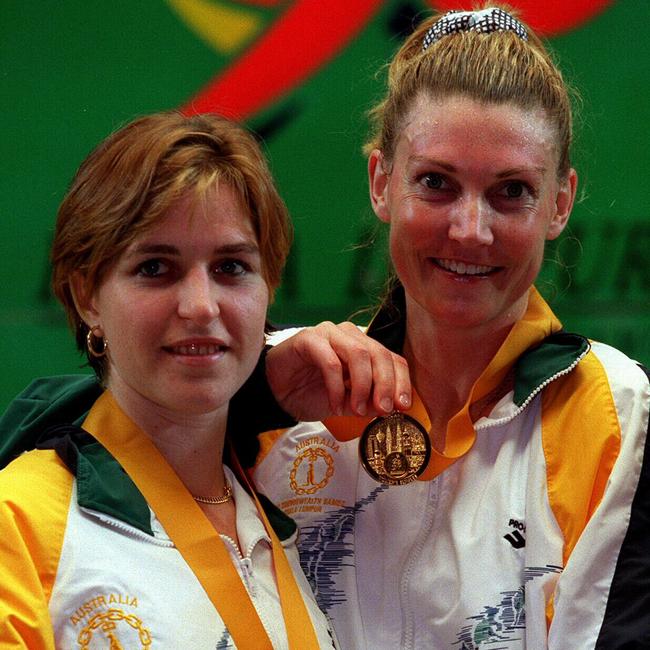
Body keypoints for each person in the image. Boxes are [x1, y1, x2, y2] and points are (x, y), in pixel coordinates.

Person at [247, 6, 650, 649]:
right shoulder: (279, 384)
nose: (470, 229)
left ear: (560, 203)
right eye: (435, 182)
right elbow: (63, 446)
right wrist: (251, 399)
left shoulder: (619, 414)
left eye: (511, 191)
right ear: (381, 182)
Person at [0, 111, 409, 649]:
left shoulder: (273, 512)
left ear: (269, 286)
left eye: (231, 267)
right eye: (155, 268)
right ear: (86, 296)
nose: (200, 306)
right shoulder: (21, 520)